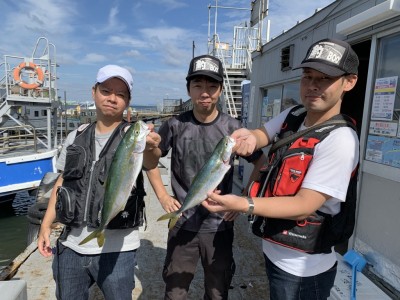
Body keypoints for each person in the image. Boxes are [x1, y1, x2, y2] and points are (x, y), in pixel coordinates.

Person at [202, 38, 360, 300]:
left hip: (303, 271)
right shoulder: (295, 115)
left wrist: (243, 204)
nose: (312, 86)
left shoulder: (341, 140)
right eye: (307, 76)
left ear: (349, 82)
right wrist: (249, 138)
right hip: (275, 251)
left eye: (325, 78)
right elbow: (262, 134)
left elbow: (304, 205)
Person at [37, 64, 161, 300]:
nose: (113, 99)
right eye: (106, 91)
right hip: (70, 246)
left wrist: (152, 146)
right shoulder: (76, 135)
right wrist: (46, 224)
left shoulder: (133, 136)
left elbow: (151, 160)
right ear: (94, 91)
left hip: (118, 251)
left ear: (128, 101)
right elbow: (62, 182)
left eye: (121, 94)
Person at [146, 54, 264, 300]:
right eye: (198, 85)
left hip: (219, 225)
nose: (205, 92)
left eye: (212, 86)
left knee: (217, 290)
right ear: (188, 88)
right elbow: (151, 162)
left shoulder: (233, 129)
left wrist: (243, 200)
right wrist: (162, 196)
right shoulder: (175, 125)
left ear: (221, 90)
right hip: (182, 223)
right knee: (175, 291)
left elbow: (261, 163)